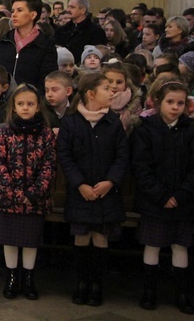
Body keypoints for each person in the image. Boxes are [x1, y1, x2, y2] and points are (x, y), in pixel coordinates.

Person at [130, 79, 194, 314]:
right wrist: (161, 194)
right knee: (152, 244)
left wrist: (181, 194)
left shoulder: (191, 131)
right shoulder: (146, 130)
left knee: (179, 245)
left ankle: (181, 293)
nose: (175, 107)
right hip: (155, 200)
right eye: (170, 102)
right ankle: (149, 291)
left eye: (180, 103)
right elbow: (141, 167)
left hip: (183, 201)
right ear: (159, 103)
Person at [57, 72, 129, 307]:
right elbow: (65, 156)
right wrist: (80, 184)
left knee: (100, 236)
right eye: (107, 88)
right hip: (81, 191)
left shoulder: (113, 121)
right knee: (81, 235)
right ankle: (81, 283)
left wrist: (110, 182)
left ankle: (97, 284)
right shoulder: (71, 122)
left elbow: (122, 155)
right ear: (90, 94)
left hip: (106, 191)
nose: (112, 92)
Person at [0, 83, 56, 300]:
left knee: (30, 240)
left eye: (30, 104)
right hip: (9, 197)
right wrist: (14, 193)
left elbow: (49, 165)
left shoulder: (45, 134)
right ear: (14, 107)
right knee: (10, 239)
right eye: (21, 104)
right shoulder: (5, 132)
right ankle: (11, 277)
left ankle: (28, 278)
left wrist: (35, 193)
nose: (25, 108)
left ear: (38, 107)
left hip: (35, 199)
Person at [0, 0, 58, 89]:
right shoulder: (5, 40)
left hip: (31, 99)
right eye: (13, 11)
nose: (14, 14)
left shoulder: (45, 44)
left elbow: (47, 78)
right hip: (3, 99)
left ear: (33, 15)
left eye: (19, 10)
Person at [54, 0, 107, 64]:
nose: (68, 10)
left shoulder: (96, 31)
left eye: (72, 7)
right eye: (68, 7)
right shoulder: (61, 30)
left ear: (83, 10)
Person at [102, 61, 142, 132]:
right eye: (110, 81)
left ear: (126, 84)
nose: (114, 86)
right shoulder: (95, 103)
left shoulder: (135, 105)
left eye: (119, 82)